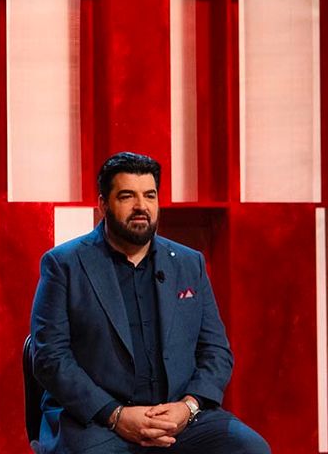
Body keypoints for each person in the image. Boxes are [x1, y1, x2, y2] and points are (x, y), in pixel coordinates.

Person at [29, 151, 270, 454]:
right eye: (127, 196)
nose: (141, 206)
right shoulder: (64, 264)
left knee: (251, 448)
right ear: (103, 204)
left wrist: (188, 407)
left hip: (179, 417)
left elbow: (216, 352)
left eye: (150, 195)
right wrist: (116, 415)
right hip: (97, 420)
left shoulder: (188, 263)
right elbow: (50, 357)